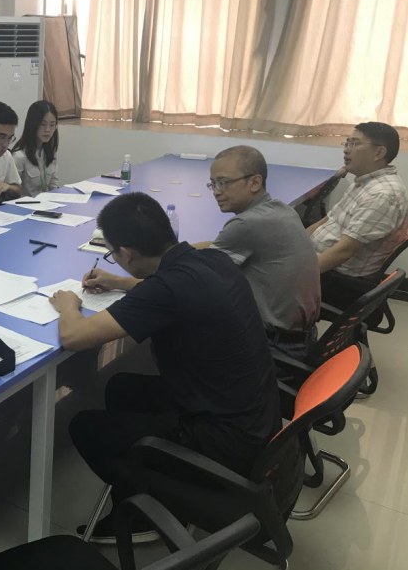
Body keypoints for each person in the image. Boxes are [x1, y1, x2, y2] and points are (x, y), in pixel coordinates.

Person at [49, 192, 281, 544]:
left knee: (84, 427)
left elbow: (73, 336)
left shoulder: (166, 290)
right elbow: (163, 285)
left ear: (126, 253)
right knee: (121, 387)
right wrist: (117, 281)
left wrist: (69, 305)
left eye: (113, 255)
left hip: (224, 442)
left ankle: (146, 514)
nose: (116, 261)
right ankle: (137, 489)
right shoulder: (212, 259)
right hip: (254, 416)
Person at [195, 146, 320, 360]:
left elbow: (193, 281)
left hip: (273, 348)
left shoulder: (246, 224)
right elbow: (218, 246)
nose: (216, 191)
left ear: (255, 182)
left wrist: (132, 282)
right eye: (213, 184)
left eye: (223, 183)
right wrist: (179, 250)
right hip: (302, 339)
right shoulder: (281, 210)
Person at [307, 122, 408, 309]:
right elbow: (329, 219)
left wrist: (297, 273)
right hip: (319, 260)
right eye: (347, 143)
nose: (346, 149)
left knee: (259, 270)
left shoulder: (383, 195)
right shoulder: (364, 181)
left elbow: (344, 251)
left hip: (338, 279)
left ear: (379, 153)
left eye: (354, 143)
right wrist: (296, 243)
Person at [11, 100, 60, 197]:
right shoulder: (19, 157)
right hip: (26, 205)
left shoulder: (50, 152)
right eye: (42, 124)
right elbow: (13, 192)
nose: (48, 130)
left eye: (52, 125)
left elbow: (53, 183)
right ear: (33, 124)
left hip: (47, 203)